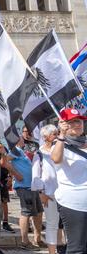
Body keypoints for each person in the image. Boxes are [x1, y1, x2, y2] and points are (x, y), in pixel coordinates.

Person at [51, 108, 87, 254]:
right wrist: (61, 135)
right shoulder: (60, 144)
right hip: (74, 203)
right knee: (77, 248)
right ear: (63, 125)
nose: (77, 125)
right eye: (72, 122)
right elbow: (56, 159)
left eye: (79, 121)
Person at [31, 124, 64, 254]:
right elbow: (35, 175)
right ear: (45, 137)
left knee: (68, 224)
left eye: (57, 133)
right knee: (52, 224)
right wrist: (41, 193)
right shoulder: (39, 154)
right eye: (54, 134)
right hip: (49, 194)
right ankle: (52, 252)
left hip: (66, 192)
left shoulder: (63, 149)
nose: (56, 136)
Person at [9, 137, 44, 250]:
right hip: (24, 187)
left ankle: (37, 239)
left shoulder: (22, 151)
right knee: (26, 213)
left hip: (32, 186)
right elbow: (4, 161)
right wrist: (15, 174)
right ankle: (25, 242)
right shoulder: (14, 150)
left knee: (38, 212)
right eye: (20, 138)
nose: (23, 139)